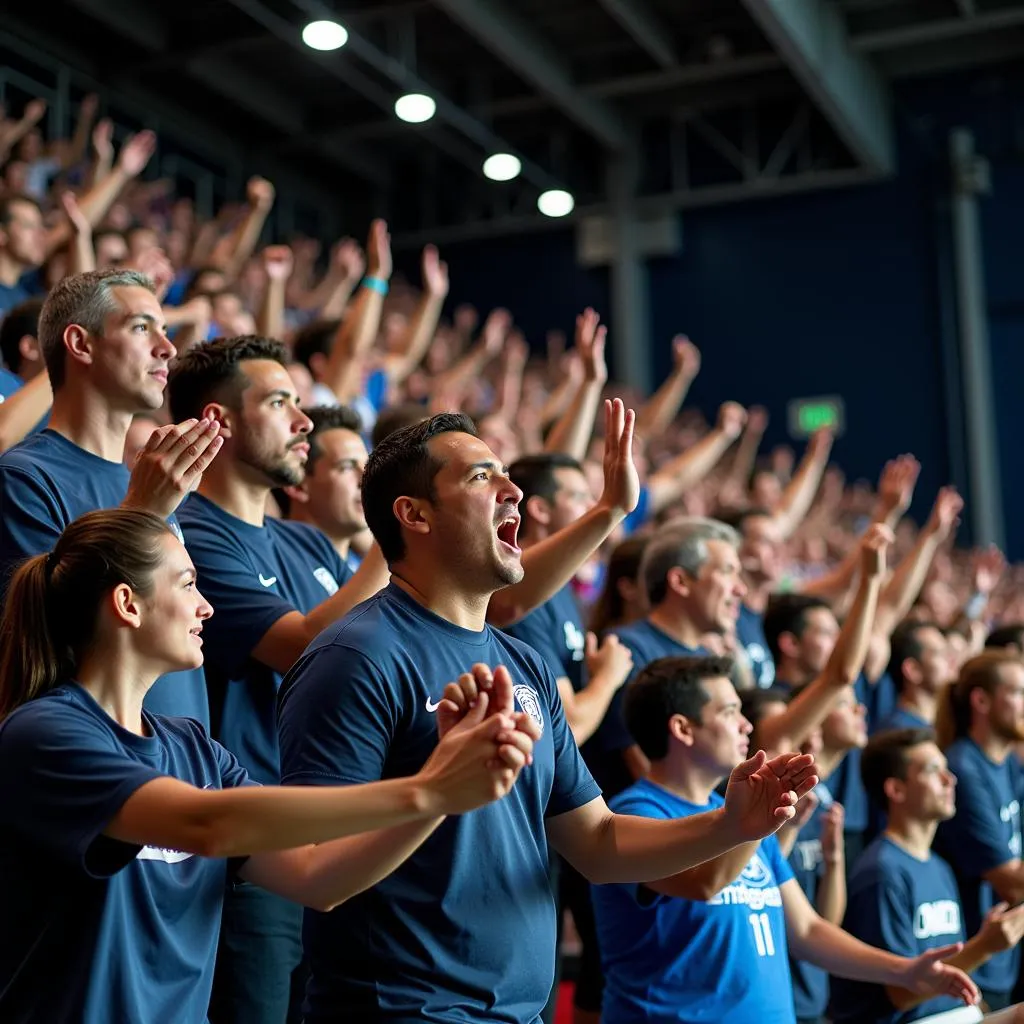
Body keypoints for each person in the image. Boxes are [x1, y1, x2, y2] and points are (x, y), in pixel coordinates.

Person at [277, 403, 820, 1024]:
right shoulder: (355, 657)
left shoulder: (525, 664)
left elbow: (597, 841)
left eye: (507, 474)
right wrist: (437, 793)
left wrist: (729, 827)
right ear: (414, 514)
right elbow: (317, 875)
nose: (513, 490)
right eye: (482, 477)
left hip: (520, 1012)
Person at [0, 507, 539, 1024]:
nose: (206, 606)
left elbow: (318, 878)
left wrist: (439, 793)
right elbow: (208, 825)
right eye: (188, 584)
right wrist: (430, 789)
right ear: (127, 603)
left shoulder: (195, 748)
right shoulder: (43, 733)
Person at [167, 335, 393, 1024]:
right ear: (218, 421)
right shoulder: (192, 533)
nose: (304, 421)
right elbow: (303, 645)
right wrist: (396, 537)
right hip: (251, 841)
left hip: (314, 833)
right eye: (280, 402)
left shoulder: (298, 541)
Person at [589, 656, 979, 1024]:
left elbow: (806, 929)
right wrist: (750, 823)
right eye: (729, 712)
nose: (745, 725)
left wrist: (904, 971)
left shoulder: (741, 813)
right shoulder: (636, 813)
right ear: (682, 729)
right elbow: (703, 883)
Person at [0, 268, 221, 723]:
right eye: (142, 327)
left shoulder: (143, 482)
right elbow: (42, 640)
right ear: (81, 344)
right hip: (99, 771)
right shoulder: (23, 479)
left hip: (180, 759)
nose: (168, 347)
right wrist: (143, 513)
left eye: (164, 328)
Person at [502, 452, 635, 1024]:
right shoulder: (525, 587)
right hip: (540, 808)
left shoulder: (563, 592)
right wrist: (608, 677)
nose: (588, 506)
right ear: (543, 508)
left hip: (569, 801)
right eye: (578, 496)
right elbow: (569, 725)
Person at [833, 727, 1024, 1024]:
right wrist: (985, 946)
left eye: (946, 769)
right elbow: (901, 993)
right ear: (896, 789)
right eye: (933, 771)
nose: (950, 780)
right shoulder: (881, 872)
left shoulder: (939, 867)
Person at [935, 652, 1024, 1011]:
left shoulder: (1006, 764)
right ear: (982, 700)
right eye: (1018, 692)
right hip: (973, 965)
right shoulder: (963, 769)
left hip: (1002, 957)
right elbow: (1012, 882)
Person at [283, 403, 372, 570]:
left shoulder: (359, 569)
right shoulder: (279, 568)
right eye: (346, 466)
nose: (365, 479)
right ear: (298, 486)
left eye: (367, 466)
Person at [878, 621, 954, 731]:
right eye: (940, 654)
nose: (952, 662)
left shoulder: (939, 726)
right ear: (913, 670)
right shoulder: (899, 729)